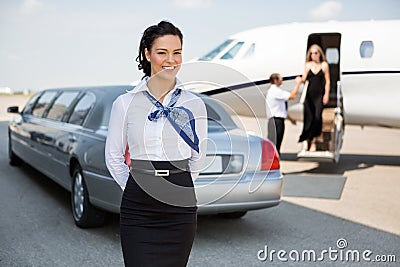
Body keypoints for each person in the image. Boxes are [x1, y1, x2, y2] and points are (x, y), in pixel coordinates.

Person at [105, 21, 208, 267]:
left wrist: (176, 185)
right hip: (138, 206)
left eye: (177, 52)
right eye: (162, 52)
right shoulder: (125, 103)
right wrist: (137, 187)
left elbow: (198, 156)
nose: (170, 60)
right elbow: (113, 156)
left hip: (180, 204)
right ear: (147, 54)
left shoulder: (194, 104)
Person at [297, 44, 330, 151]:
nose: (313, 55)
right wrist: (299, 80)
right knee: (309, 118)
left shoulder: (324, 65)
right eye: (311, 53)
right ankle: (309, 141)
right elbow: (304, 79)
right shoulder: (308, 65)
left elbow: (327, 81)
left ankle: (315, 140)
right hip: (309, 96)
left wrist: (326, 94)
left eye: (315, 53)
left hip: (319, 95)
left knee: (317, 117)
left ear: (320, 54)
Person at [266, 73, 300, 155]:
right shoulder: (275, 91)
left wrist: (291, 120)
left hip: (276, 120)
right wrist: (298, 84)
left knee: (276, 144)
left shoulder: (274, 91)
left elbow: (281, 110)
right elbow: (292, 96)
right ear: (275, 80)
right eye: (280, 78)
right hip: (276, 121)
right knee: (275, 144)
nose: (282, 80)